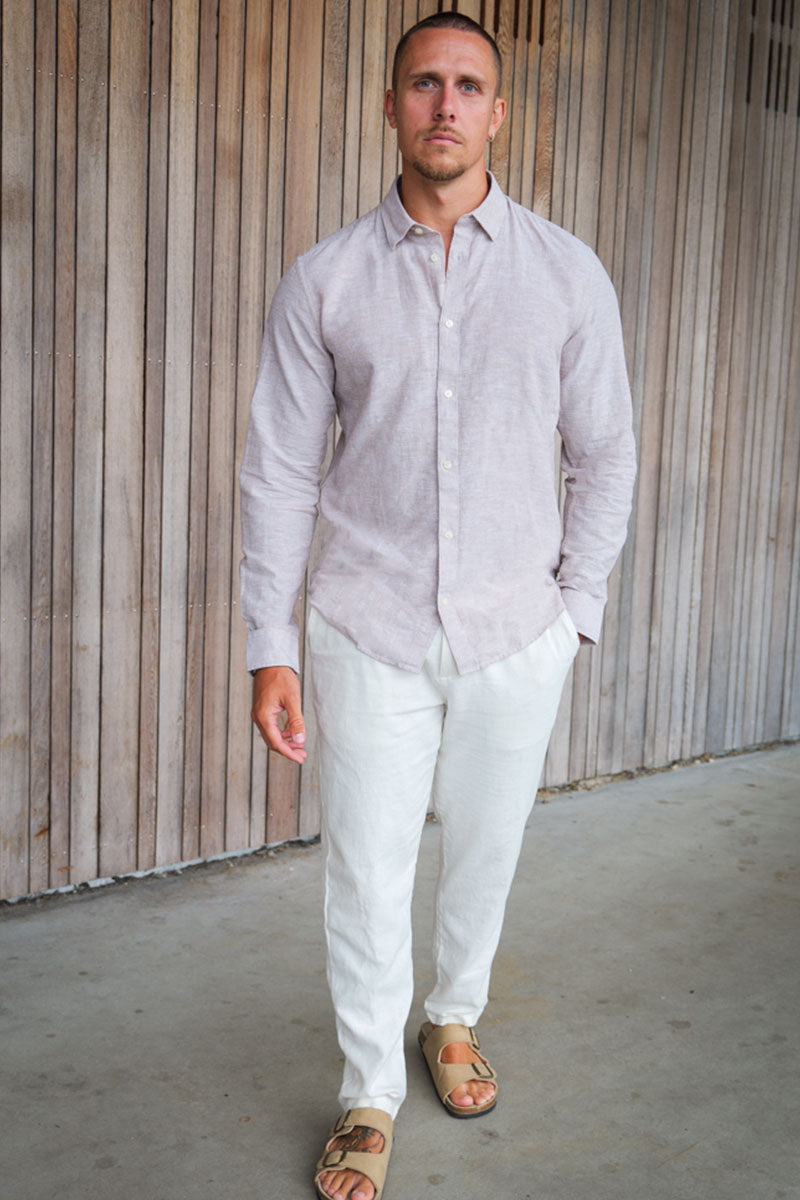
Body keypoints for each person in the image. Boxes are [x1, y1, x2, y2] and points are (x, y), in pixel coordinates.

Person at [240, 13, 636, 1200]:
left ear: (498, 113)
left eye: (468, 85)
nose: (445, 104)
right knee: (364, 870)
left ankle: (450, 1018)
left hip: (516, 628)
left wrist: (572, 614)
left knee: (485, 848)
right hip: (367, 622)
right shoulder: (325, 280)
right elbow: (277, 471)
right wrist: (268, 645)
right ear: (390, 105)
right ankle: (368, 1090)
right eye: (423, 83)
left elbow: (604, 454)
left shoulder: (566, 273)